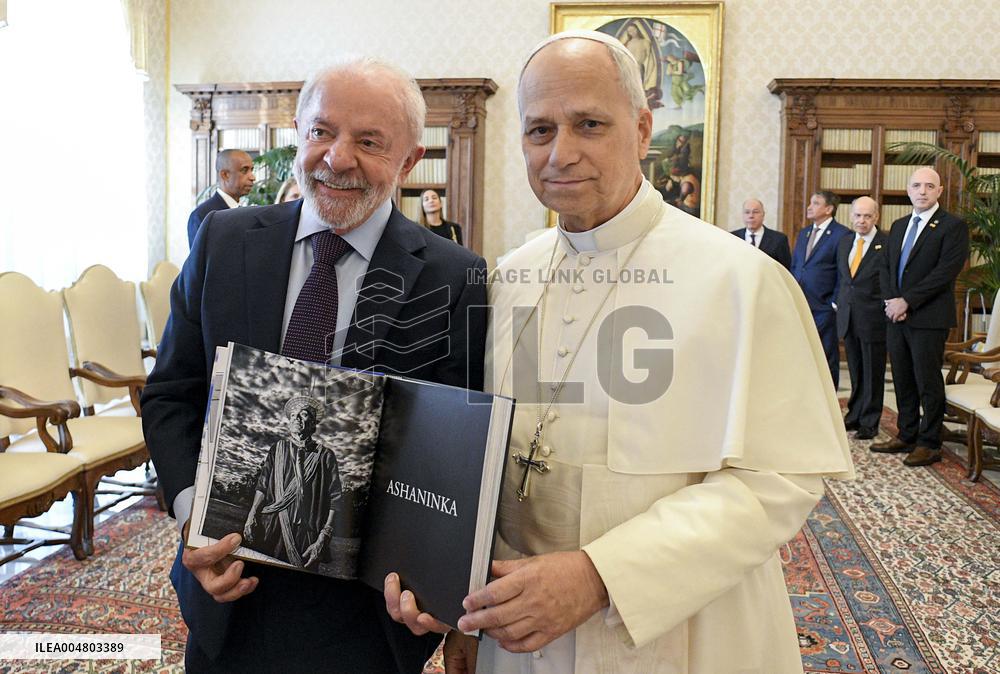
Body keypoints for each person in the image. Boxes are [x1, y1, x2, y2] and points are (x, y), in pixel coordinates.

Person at [385, 30, 853, 674]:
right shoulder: (508, 276)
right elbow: (478, 455)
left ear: (640, 129)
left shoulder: (741, 280)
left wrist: (601, 575)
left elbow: (780, 478)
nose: (561, 153)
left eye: (589, 124)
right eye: (540, 130)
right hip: (519, 636)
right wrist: (453, 599)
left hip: (682, 631)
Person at [142, 57, 488, 673]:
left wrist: (441, 585)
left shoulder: (455, 276)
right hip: (227, 591)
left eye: (369, 142)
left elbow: (456, 451)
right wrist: (195, 514)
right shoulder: (222, 240)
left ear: (410, 160)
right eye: (322, 132)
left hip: (368, 615)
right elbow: (172, 392)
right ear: (298, 133)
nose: (338, 157)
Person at [871, 167, 969, 467]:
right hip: (896, 316)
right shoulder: (899, 225)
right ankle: (907, 433)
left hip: (929, 317)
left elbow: (945, 273)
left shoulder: (953, 226)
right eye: (916, 185)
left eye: (929, 186)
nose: (922, 191)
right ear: (908, 190)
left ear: (940, 191)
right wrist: (892, 301)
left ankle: (929, 442)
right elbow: (886, 267)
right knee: (902, 378)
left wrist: (907, 301)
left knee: (927, 381)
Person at [242, 395, 342, 570]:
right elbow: (262, 485)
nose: (297, 418)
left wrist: (323, 537)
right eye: (293, 415)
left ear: (313, 424)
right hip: (272, 526)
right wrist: (251, 515)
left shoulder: (325, 456)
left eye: (304, 414)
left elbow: (336, 499)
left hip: (306, 534)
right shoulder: (277, 449)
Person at [835, 196, 889, 440]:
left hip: (873, 319)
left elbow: (889, 281)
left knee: (873, 373)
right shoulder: (845, 242)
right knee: (855, 371)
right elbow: (845, 280)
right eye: (858, 215)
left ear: (876, 217)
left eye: (867, 216)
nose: (862, 220)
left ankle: (869, 421)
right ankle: (855, 414)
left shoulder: (885, 244)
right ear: (851, 216)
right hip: (848, 316)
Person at [791, 190, 851, 388]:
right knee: (801, 354)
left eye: (816, 203)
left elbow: (843, 272)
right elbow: (797, 266)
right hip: (801, 304)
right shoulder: (804, 233)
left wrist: (834, 303)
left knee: (825, 356)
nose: (809, 207)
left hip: (824, 307)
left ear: (829, 209)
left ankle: (828, 400)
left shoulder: (842, 234)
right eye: (810, 202)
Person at [187, 149, 255, 247]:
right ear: (225, 175)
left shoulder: (246, 212)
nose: (252, 177)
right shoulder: (203, 215)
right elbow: (200, 256)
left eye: (252, 170)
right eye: (244, 170)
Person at [730, 198, 792, 270]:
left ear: (763, 215)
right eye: (747, 212)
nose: (751, 216)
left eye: (755, 212)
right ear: (742, 215)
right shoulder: (732, 237)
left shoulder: (779, 239)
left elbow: (785, 269)